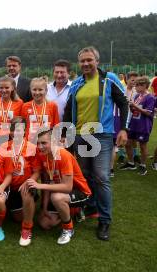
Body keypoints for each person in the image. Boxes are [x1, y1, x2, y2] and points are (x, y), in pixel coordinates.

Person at [63, 46, 129, 241]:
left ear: (97, 61)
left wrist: (124, 129)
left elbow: (124, 103)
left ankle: (105, 220)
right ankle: (90, 207)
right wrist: (66, 134)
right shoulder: (76, 84)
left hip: (102, 135)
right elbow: (68, 110)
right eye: (82, 61)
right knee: (85, 175)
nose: (85, 63)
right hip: (80, 135)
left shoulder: (109, 79)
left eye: (89, 60)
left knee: (101, 177)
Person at [24, 129, 92, 245]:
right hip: (57, 191)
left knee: (57, 198)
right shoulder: (43, 156)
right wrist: (44, 208)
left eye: (44, 143)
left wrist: (39, 185)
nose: (40, 147)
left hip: (79, 191)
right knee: (44, 223)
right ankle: (72, 211)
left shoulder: (63, 155)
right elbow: (47, 182)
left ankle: (68, 229)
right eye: (38, 143)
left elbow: (67, 187)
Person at [1, 117, 37, 246]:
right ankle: (19, 209)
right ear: (11, 132)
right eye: (15, 130)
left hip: (25, 184)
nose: (17, 133)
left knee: (26, 192)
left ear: (25, 131)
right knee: (17, 217)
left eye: (20, 130)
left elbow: (37, 171)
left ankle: (27, 228)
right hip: (11, 186)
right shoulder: (4, 147)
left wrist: (29, 181)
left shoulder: (32, 147)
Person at [119, 76, 154, 175]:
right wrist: (131, 107)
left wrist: (134, 106)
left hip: (144, 125)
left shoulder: (150, 97)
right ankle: (131, 163)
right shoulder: (136, 96)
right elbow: (134, 110)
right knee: (128, 143)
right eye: (136, 85)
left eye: (139, 85)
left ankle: (143, 165)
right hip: (133, 123)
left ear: (145, 86)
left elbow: (148, 113)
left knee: (143, 146)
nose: (137, 87)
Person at [21, 77, 59, 144]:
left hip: (46, 143)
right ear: (30, 90)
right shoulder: (25, 106)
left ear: (46, 90)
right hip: (29, 143)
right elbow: (23, 127)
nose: (37, 92)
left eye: (40, 89)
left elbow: (56, 126)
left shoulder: (52, 106)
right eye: (34, 90)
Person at [0, 75, 23, 140]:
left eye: (7, 88)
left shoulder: (19, 103)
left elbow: (21, 121)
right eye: (1, 88)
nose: (4, 90)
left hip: (12, 137)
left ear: (12, 88)